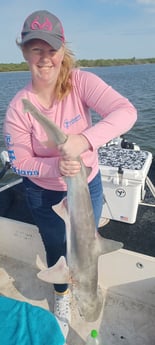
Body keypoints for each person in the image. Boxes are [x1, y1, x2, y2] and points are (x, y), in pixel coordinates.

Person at [3, 10, 137, 339]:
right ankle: (63, 295)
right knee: (55, 245)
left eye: (51, 49)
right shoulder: (19, 108)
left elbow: (126, 112)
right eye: (36, 49)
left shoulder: (81, 82)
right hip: (44, 192)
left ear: (63, 50)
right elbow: (18, 160)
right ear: (23, 52)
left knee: (89, 244)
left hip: (86, 184)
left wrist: (84, 140)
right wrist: (55, 166)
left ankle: (78, 282)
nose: (45, 58)